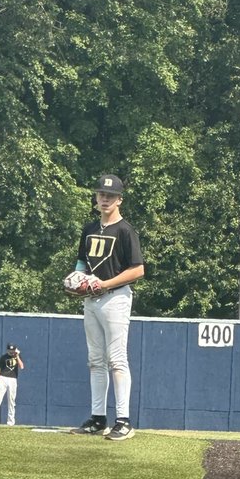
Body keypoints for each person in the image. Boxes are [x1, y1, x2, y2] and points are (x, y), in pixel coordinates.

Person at [65, 173, 145, 441]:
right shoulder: (89, 229)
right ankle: (98, 418)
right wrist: (76, 280)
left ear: (120, 199)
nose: (105, 199)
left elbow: (138, 270)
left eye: (110, 195)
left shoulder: (125, 230)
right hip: (92, 298)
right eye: (102, 194)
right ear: (96, 197)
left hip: (115, 298)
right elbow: (81, 263)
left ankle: (123, 421)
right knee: (95, 360)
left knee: (117, 359)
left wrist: (106, 284)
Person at [0, 344, 24, 426]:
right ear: (7, 350)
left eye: (13, 350)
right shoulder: (3, 357)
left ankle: (11, 422)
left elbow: (21, 366)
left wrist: (17, 356)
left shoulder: (17, 356)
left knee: (11, 401)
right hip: (3, 378)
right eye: (10, 350)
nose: (11, 352)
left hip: (13, 379)